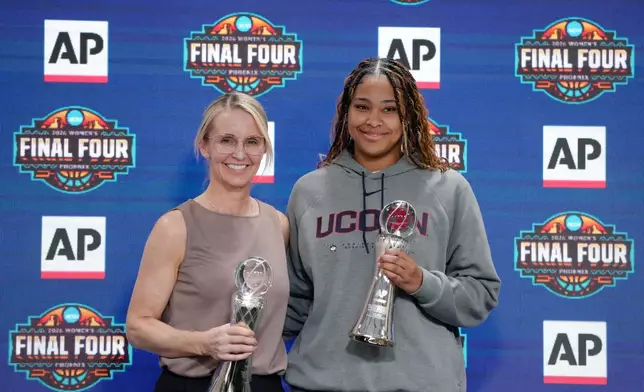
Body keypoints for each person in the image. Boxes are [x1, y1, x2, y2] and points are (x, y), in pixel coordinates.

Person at [283, 57, 501, 392]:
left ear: (408, 116)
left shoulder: (449, 188)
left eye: (389, 109)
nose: (373, 121)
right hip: (321, 382)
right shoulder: (308, 191)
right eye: (362, 107)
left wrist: (421, 282)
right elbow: (294, 300)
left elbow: (480, 294)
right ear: (345, 113)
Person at [126, 92, 288, 392]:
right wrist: (203, 343)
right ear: (205, 146)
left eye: (252, 142)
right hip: (193, 384)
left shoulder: (278, 224)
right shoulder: (175, 226)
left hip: (264, 384)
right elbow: (138, 326)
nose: (240, 153)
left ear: (264, 149)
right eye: (227, 140)